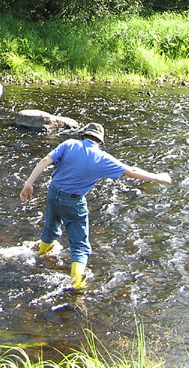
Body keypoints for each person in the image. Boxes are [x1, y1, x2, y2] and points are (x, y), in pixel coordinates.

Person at [19, 122, 172, 291]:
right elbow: (132, 171)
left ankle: (42, 255)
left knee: (51, 226)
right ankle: (77, 284)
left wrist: (28, 184)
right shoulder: (103, 158)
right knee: (79, 245)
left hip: (53, 192)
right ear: (100, 142)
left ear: (84, 135)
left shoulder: (69, 144)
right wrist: (158, 177)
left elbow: (45, 160)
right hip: (73, 201)